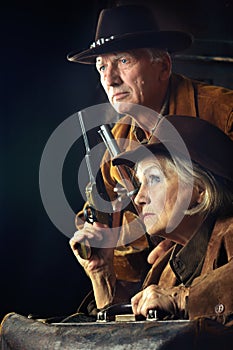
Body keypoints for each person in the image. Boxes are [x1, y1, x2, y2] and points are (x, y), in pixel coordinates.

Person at [67, 4, 233, 304]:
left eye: (123, 60)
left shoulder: (225, 113)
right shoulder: (114, 152)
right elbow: (111, 245)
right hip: (158, 288)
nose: (110, 78)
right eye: (102, 67)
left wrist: (190, 235)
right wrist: (98, 249)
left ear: (164, 67)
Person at [70, 115, 233, 327]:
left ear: (199, 189)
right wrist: (102, 275)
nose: (138, 197)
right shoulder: (162, 269)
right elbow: (131, 339)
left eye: (154, 179)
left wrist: (183, 298)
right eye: (139, 183)